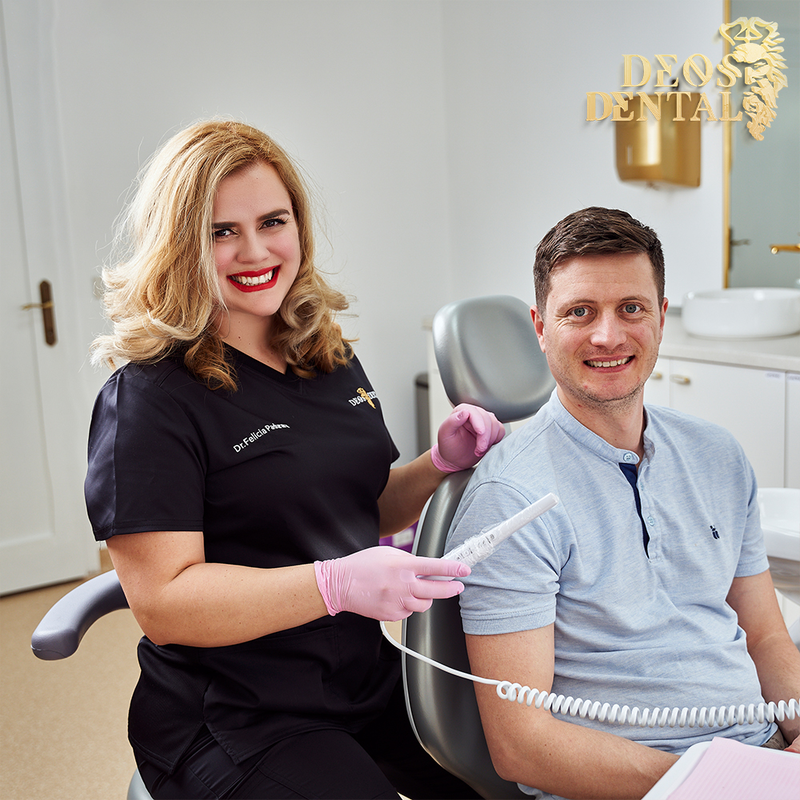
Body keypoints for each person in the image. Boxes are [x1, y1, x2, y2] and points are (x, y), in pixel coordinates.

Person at [84, 119, 504, 800]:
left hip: (358, 677)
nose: (254, 250)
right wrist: (334, 585)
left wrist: (438, 463)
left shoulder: (324, 355)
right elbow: (163, 602)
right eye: (222, 231)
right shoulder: (150, 399)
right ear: (180, 244)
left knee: (506, 774)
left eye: (272, 222)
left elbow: (363, 507)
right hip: (234, 713)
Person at [446, 207, 800, 800]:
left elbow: (765, 637)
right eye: (579, 312)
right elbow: (522, 746)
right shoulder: (509, 499)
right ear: (540, 326)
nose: (608, 336)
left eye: (631, 308)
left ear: (661, 317)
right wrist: (717, 785)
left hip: (759, 759)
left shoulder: (718, 455)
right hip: (634, 786)